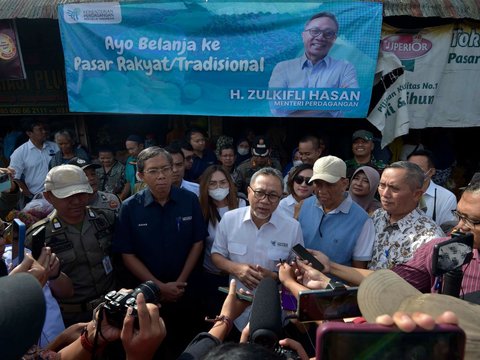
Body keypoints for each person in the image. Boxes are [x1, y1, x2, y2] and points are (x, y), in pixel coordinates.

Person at [112, 146, 207, 357]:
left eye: (166, 168)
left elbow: (197, 242)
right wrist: (159, 287)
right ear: (140, 175)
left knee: (189, 345)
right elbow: (127, 254)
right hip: (148, 298)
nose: (162, 176)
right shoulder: (129, 208)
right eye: (153, 171)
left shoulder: (189, 200)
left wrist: (180, 282)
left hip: (186, 292)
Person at [211, 167, 304, 330]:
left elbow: (298, 270)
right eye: (259, 193)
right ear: (248, 192)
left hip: (275, 313)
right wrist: (237, 269)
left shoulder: (292, 227)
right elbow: (217, 255)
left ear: (280, 197)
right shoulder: (229, 220)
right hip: (236, 313)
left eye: (273, 196)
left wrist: (274, 278)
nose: (265, 201)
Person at [25, 164, 117, 327]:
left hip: (112, 308)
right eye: (67, 196)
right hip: (71, 319)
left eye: (81, 194)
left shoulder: (106, 219)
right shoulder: (38, 236)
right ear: (48, 196)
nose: (76, 201)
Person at [269, 12, 358, 117]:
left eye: (328, 33)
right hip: (289, 128)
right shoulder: (282, 67)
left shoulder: (345, 68)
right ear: (303, 35)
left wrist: (296, 107)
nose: (320, 37)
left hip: (330, 129)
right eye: (315, 31)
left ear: (334, 39)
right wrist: (328, 104)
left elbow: (351, 101)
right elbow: (276, 108)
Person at [297, 156, 375, 268]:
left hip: (335, 284)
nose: (322, 190)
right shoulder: (303, 206)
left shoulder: (362, 221)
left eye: (329, 184)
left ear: (345, 184)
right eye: (318, 183)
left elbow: (358, 270)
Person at [368, 161, 445, 270]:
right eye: (382, 185)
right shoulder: (378, 215)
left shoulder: (429, 238)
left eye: (394, 188)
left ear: (417, 194)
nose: (385, 194)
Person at [199, 165, 247, 318]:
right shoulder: (201, 210)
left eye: (223, 182)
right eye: (212, 184)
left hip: (239, 277)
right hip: (211, 277)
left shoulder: (243, 205)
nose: (218, 187)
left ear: (230, 183)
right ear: (206, 186)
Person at [9, 118, 59, 201]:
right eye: (40, 130)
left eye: (44, 129)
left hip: (59, 194)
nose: (44, 132)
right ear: (29, 133)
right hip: (38, 198)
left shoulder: (55, 147)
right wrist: (29, 195)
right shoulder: (19, 153)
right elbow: (14, 178)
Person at [407, 149, 457, 226]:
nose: (412, 173)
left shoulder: (447, 198)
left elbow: (447, 231)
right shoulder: (398, 191)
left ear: (431, 172)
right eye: (409, 168)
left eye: (418, 169)